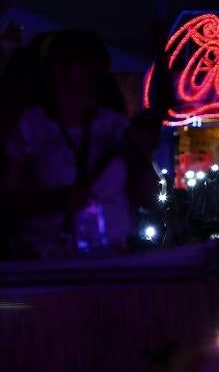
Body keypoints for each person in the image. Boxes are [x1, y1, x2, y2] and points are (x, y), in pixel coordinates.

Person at [0, 30, 156, 257]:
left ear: (93, 73)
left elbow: (149, 199)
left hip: (111, 261)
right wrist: (56, 200)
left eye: (69, 65)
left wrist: (142, 157)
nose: (58, 74)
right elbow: (6, 202)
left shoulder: (116, 126)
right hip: (46, 262)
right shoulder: (29, 126)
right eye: (54, 65)